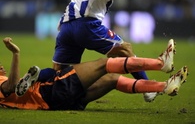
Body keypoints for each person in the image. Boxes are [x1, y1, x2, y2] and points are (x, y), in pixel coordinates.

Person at [52, 0, 156, 102]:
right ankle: (147, 87)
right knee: (125, 49)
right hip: (85, 26)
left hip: (66, 29)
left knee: (62, 72)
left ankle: (54, 97)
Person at [0, 37, 188, 110]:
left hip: (57, 103)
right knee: (104, 64)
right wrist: (16, 53)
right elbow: (11, 87)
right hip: (51, 92)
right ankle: (160, 64)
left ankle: (164, 86)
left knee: (113, 79)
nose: (1, 67)